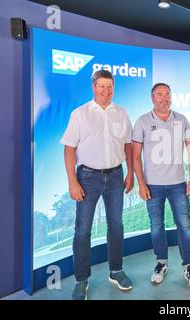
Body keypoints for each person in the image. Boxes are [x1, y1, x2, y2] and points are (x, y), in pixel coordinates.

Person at [61, 69, 134, 300]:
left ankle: (116, 270)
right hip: (88, 178)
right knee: (82, 230)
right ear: (94, 87)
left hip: (115, 176)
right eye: (102, 86)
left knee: (116, 225)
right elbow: (69, 149)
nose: (106, 91)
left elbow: (129, 146)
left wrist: (130, 172)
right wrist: (73, 182)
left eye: (110, 86)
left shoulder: (121, 113)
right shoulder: (80, 114)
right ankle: (81, 280)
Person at [132, 83, 190, 289]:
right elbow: (135, 156)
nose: (164, 98)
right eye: (160, 94)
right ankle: (161, 263)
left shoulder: (182, 120)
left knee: (185, 227)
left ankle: (189, 267)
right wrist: (141, 183)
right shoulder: (142, 121)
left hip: (179, 184)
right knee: (156, 227)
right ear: (152, 98)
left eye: (168, 94)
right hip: (153, 186)